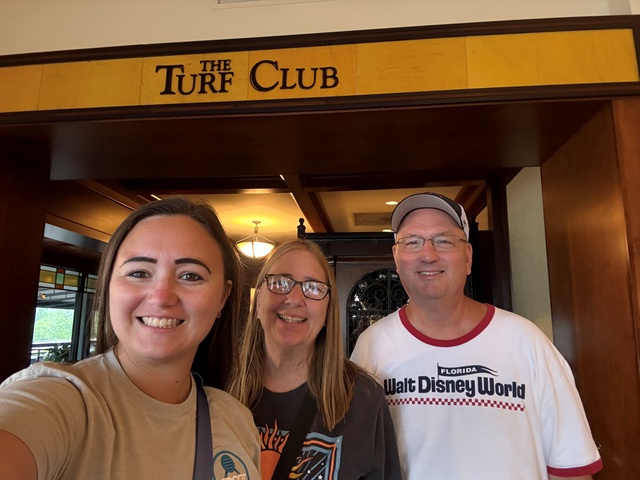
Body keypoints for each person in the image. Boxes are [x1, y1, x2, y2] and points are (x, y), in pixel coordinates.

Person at [0, 198, 261, 479]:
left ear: (223, 297)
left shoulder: (236, 420)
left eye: (190, 276)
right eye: (139, 273)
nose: (161, 297)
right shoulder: (61, 399)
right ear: (108, 285)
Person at [351, 192, 603, 480]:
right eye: (412, 242)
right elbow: (355, 460)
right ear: (397, 258)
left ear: (468, 257)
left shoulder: (526, 342)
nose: (428, 254)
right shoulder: (372, 345)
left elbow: (571, 468)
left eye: (444, 240)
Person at [229, 239, 401, 480]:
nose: (294, 298)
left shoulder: (364, 398)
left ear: (328, 312)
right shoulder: (218, 384)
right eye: (280, 282)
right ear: (258, 301)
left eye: (313, 288)